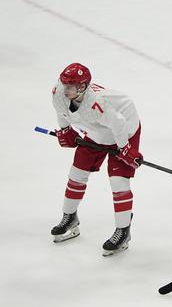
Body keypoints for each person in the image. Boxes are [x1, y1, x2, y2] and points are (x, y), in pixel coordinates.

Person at [50, 63, 142, 256]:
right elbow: (62, 111)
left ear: (82, 87)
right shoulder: (59, 92)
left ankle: (123, 231)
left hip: (124, 130)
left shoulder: (96, 104)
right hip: (95, 130)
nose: (64, 89)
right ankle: (70, 217)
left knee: (119, 182)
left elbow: (118, 124)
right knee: (76, 173)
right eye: (64, 83)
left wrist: (125, 148)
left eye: (70, 86)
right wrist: (64, 129)